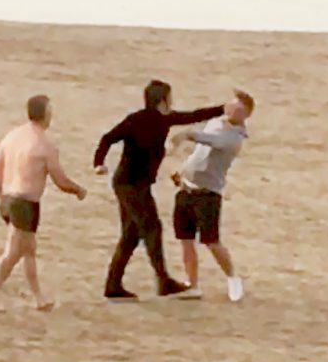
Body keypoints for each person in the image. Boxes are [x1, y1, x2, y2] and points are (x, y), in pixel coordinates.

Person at [94, 80, 223, 300]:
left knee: (131, 235)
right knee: (152, 228)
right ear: (162, 100)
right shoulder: (142, 120)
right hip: (130, 186)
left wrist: (221, 110)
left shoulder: (159, 119)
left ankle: (113, 285)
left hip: (132, 184)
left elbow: (193, 115)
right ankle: (164, 282)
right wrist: (99, 163)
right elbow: (108, 138)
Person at [0, 95, 87, 313]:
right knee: (13, 253)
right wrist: (78, 190)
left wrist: (1, 193)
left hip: (10, 198)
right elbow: (60, 179)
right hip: (25, 202)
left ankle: (39, 298)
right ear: (45, 114)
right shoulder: (44, 144)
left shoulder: (12, 136)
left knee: (28, 250)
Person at [169, 89, 254, 302]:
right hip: (186, 188)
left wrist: (188, 134)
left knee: (211, 241)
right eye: (232, 104)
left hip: (208, 194)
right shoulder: (216, 122)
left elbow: (212, 141)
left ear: (246, 115)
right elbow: (199, 153)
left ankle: (233, 278)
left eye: (239, 108)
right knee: (185, 239)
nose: (232, 108)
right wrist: (183, 170)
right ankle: (192, 284)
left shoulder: (234, 138)